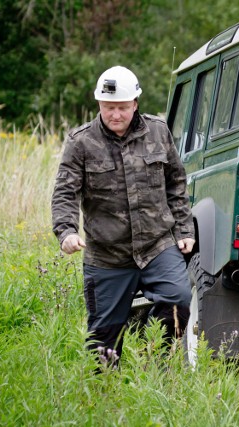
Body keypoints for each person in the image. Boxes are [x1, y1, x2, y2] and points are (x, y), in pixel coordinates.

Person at [51, 65, 195, 366]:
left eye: (122, 108)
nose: (115, 114)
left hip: (157, 245)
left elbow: (176, 182)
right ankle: (106, 394)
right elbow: (65, 192)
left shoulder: (158, 131)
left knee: (177, 300)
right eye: (108, 107)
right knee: (103, 340)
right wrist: (67, 231)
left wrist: (184, 229)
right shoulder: (81, 142)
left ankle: (153, 359)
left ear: (135, 104)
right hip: (107, 254)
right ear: (99, 105)